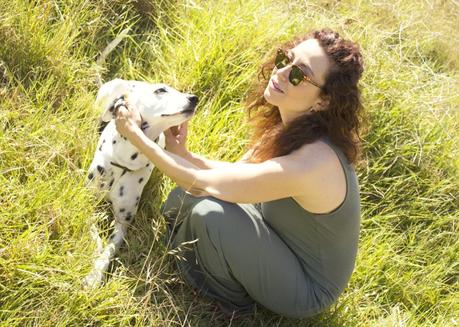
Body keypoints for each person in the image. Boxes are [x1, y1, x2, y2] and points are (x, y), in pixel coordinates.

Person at [114, 28, 365, 318]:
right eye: (285, 58)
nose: (281, 71)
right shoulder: (291, 127)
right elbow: (235, 174)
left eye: (298, 74)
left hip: (305, 289)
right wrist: (183, 154)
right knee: (183, 199)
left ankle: (232, 301)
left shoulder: (313, 162)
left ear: (323, 100)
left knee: (210, 214)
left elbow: (205, 183)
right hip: (276, 235)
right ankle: (207, 253)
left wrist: (136, 136)